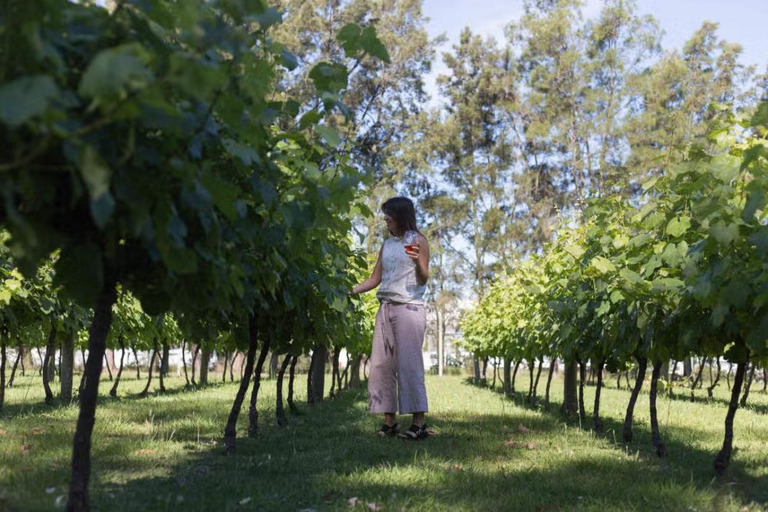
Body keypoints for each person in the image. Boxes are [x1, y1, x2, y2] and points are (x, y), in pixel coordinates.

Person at [349, 197, 432, 440]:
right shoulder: (387, 245)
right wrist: (350, 291)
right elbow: (375, 279)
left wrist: (417, 262)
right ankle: (390, 422)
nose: (385, 218)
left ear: (401, 216)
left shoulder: (419, 241)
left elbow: (423, 278)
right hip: (385, 308)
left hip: (409, 308)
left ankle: (419, 424)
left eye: (389, 214)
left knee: (409, 365)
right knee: (381, 365)